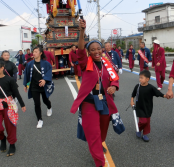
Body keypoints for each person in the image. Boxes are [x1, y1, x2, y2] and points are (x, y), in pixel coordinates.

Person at [70, 19, 124, 167]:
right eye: (92, 49)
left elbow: (114, 78)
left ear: (102, 49)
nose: (96, 51)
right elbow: (80, 50)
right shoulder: (85, 62)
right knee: (93, 133)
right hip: (89, 102)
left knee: (103, 129)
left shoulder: (107, 64)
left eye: (98, 48)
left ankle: (100, 143)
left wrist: (114, 86)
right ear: (89, 52)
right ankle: (100, 163)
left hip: (105, 101)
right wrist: (82, 31)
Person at [0, 57, 26, 157]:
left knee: (10, 126)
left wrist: (22, 104)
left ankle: (12, 144)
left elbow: (16, 93)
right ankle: (2, 139)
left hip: (8, 106)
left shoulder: (10, 80)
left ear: (2, 68)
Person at [23, 46, 54, 129]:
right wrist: (26, 85)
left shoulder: (46, 63)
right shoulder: (29, 64)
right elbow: (26, 74)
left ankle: (49, 107)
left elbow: (49, 72)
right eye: (34, 51)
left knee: (45, 100)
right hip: (34, 87)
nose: (34, 53)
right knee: (37, 103)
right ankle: (39, 120)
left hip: (43, 86)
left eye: (36, 52)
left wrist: (45, 80)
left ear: (40, 53)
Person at [130, 70, 166, 142]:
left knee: (147, 121)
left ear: (147, 79)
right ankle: (139, 129)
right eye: (139, 78)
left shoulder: (151, 87)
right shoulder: (138, 86)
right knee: (143, 121)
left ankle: (145, 134)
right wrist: (132, 101)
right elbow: (133, 94)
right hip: (140, 107)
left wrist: (165, 96)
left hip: (148, 107)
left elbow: (158, 93)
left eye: (142, 78)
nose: (140, 79)